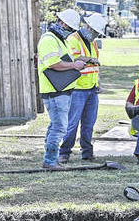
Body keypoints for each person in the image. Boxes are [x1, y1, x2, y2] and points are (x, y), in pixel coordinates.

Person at [37, 9, 84, 169]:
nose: (70, 33)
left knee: (55, 125)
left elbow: (62, 60)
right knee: (59, 127)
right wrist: (74, 65)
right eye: (70, 29)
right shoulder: (49, 39)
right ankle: (50, 161)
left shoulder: (59, 39)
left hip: (62, 90)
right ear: (62, 23)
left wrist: (78, 61)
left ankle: (50, 158)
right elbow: (54, 64)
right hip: (55, 91)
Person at [58, 13, 107, 164]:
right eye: (95, 31)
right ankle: (64, 152)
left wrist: (97, 83)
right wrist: (90, 59)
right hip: (77, 89)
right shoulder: (73, 39)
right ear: (88, 27)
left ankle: (87, 153)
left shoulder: (91, 42)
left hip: (91, 89)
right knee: (72, 123)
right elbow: (73, 58)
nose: (96, 34)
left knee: (89, 123)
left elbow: (95, 67)